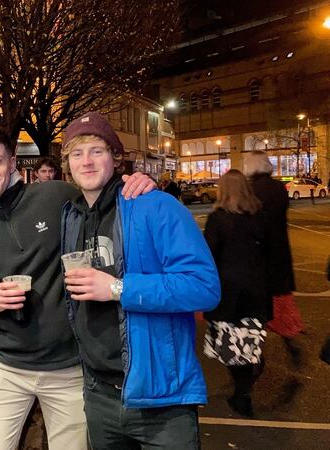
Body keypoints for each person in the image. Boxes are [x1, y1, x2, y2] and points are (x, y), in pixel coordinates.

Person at [0, 123, 154, 449]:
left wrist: (138, 182)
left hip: (69, 367)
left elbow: (101, 194)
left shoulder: (54, 196)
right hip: (5, 367)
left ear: (13, 161)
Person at [59, 112, 220, 449]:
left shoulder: (155, 206)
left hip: (161, 401)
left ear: (116, 158)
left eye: (96, 151)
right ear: (67, 164)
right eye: (76, 153)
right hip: (99, 395)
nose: (86, 161)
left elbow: (204, 287)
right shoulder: (71, 216)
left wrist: (119, 288)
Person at [203, 169, 271, 417]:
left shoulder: (218, 219)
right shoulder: (259, 216)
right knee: (248, 338)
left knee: (231, 344)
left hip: (228, 291)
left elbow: (208, 256)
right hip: (255, 289)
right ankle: (247, 380)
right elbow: (270, 254)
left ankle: (242, 393)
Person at [244, 150, 304, 367]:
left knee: (255, 306)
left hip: (257, 255)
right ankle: (290, 341)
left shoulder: (250, 189)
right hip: (279, 252)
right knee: (280, 303)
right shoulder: (279, 188)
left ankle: (255, 353)